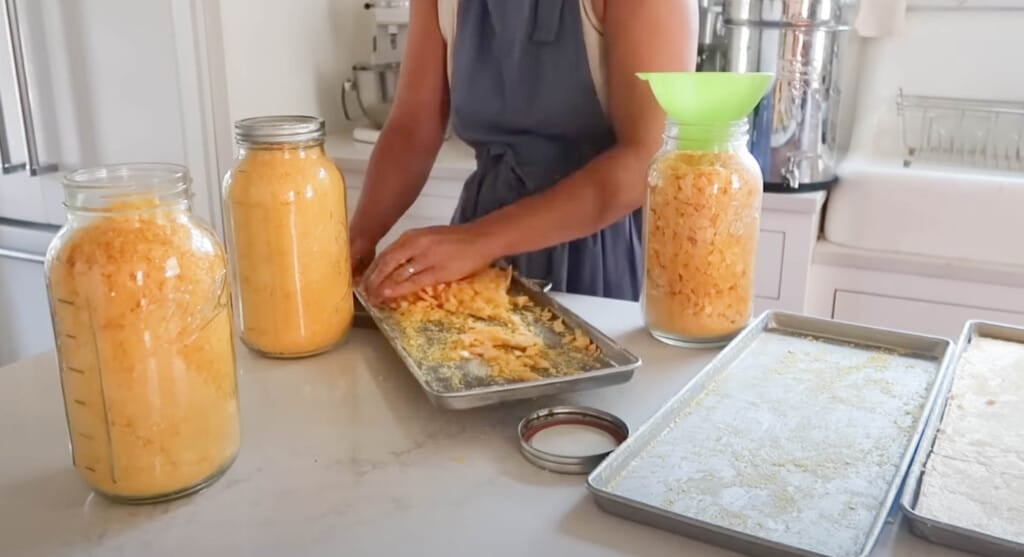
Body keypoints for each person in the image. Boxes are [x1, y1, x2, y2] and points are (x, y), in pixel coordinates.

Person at [354, 0, 697, 304]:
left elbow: (647, 157)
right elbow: (413, 127)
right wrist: (359, 237)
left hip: (594, 247)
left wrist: (479, 240)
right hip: (475, 244)